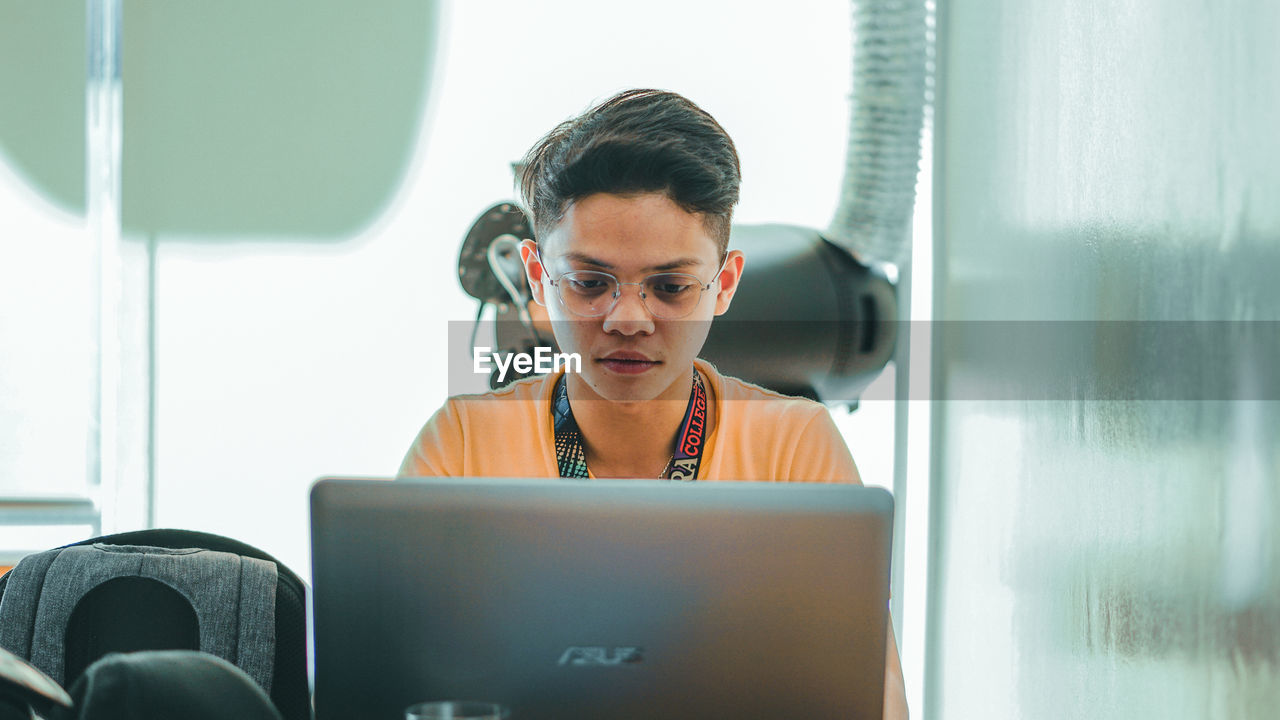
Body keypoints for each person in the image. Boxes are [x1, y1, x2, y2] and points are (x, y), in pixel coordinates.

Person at [399, 88, 907, 718]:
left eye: (670, 287)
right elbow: (396, 687)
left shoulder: (793, 446)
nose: (629, 318)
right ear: (536, 276)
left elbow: (872, 702)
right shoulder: (463, 444)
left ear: (723, 284)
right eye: (589, 283)